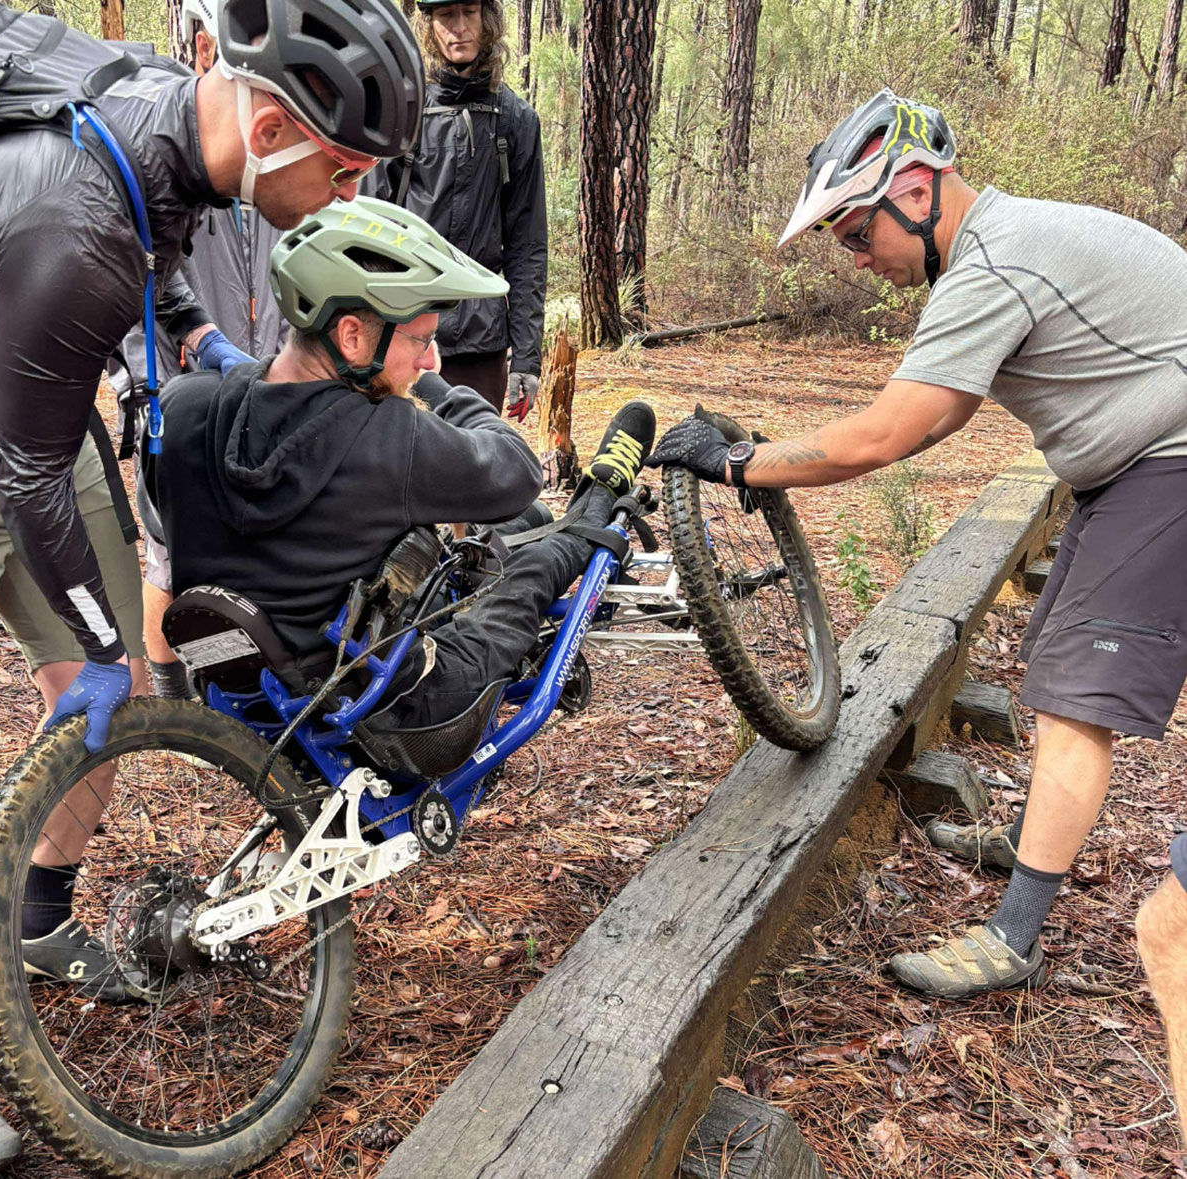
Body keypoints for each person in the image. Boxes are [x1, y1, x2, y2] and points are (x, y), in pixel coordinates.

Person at [0, 0, 422, 1170]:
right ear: (269, 126)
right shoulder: (73, 219)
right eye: (342, 172)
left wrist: (201, 346)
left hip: (34, 418)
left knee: (113, 700)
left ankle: (39, 925)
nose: (347, 198)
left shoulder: (166, 120)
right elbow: (26, 466)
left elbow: (158, 254)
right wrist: (92, 641)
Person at [648, 88, 1187, 1020]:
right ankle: (1029, 836)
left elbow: (884, 437)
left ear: (917, 189)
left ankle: (1012, 937)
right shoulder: (1000, 245)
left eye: (858, 235)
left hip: (1170, 459)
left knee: (1071, 704)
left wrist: (738, 462)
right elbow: (936, 415)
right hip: (1136, 459)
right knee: (1054, 651)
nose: (857, 261)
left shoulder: (995, 262)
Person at [157, 195, 653, 745]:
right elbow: (515, 469)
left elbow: (172, 519)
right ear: (351, 336)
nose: (427, 358)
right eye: (421, 340)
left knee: (502, 532)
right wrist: (437, 389)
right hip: (388, 706)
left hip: (248, 694)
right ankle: (598, 503)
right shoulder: (388, 435)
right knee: (536, 561)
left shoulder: (185, 406)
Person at [111, 0, 259, 703]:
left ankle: (226, 679)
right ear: (205, 49)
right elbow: (131, 274)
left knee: (242, 533)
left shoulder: (263, 137)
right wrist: (141, 381)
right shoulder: (165, 134)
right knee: (169, 543)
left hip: (249, 364)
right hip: (170, 384)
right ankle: (170, 687)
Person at [365, 0, 547, 419]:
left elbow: (527, 246)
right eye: (447, 15)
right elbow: (370, 227)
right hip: (402, 330)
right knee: (400, 467)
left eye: (469, 13)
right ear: (428, 24)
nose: (459, 28)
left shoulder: (515, 119)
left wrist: (526, 359)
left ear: (489, 21)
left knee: (474, 467)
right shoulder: (402, 110)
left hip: (481, 340)